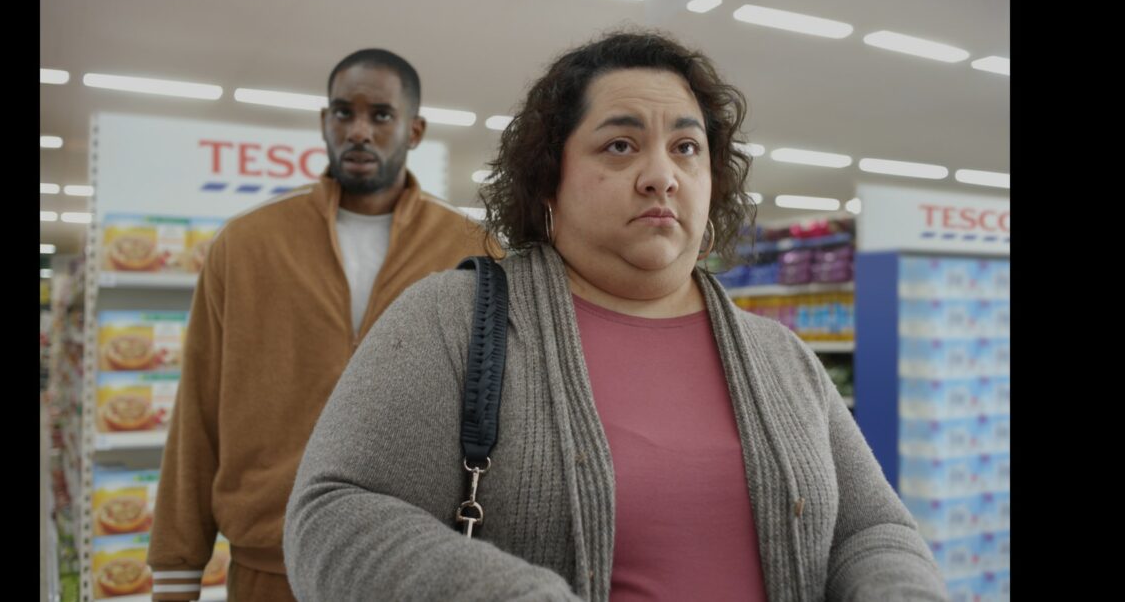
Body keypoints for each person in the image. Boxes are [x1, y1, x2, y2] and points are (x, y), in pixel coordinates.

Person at [284, 31, 948, 601]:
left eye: (686, 148)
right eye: (621, 146)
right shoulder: (452, 320)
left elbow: (872, 527)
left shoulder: (780, 356)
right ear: (550, 178)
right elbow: (336, 515)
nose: (661, 174)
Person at [147, 49, 496, 602]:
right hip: (267, 570)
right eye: (342, 112)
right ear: (324, 121)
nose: (358, 130)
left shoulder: (473, 252)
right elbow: (198, 409)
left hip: (415, 570)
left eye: (381, 115)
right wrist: (176, 570)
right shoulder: (246, 245)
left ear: (414, 130)